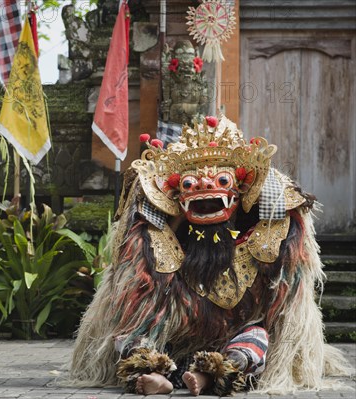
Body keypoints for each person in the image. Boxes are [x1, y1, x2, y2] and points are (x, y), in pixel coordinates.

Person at [69, 116, 351, 396]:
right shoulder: (159, 236)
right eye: (190, 184)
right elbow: (140, 307)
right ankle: (155, 375)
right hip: (174, 345)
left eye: (222, 180)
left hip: (232, 342)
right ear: (177, 196)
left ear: (241, 190)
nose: (204, 189)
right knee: (132, 339)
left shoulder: (268, 231)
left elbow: (282, 303)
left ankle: (205, 377)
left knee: (256, 339)